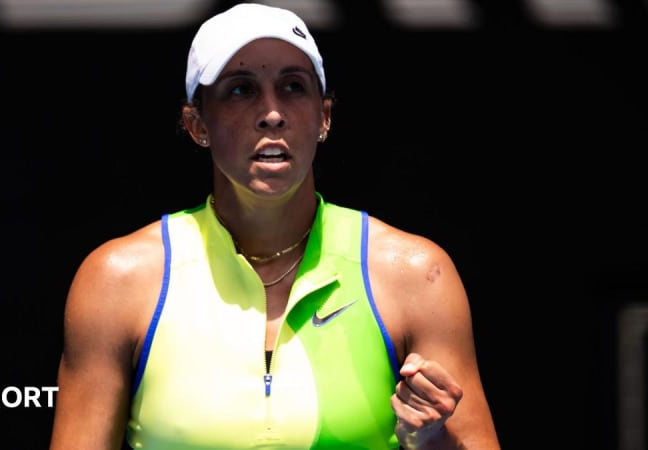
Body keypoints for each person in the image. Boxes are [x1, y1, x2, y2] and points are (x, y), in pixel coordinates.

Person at [48, 3, 500, 449]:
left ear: (324, 118)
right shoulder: (116, 281)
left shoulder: (417, 275)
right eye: (241, 90)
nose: (272, 113)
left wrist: (433, 439)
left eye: (293, 87)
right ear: (196, 123)